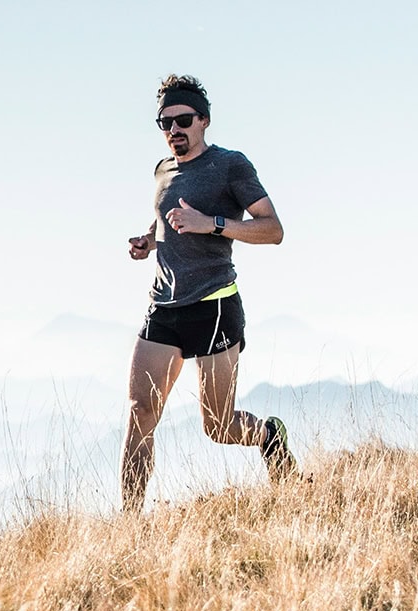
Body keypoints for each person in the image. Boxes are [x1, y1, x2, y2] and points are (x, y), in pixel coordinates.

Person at [122, 75, 294, 511]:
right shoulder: (162, 170)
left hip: (214, 304)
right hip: (164, 306)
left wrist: (212, 224)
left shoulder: (230, 165)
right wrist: (148, 241)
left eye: (182, 120)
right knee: (141, 412)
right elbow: (167, 217)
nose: (173, 130)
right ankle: (129, 523)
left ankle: (269, 436)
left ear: (204, 120)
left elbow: (272, 229)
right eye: (165, 123)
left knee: (218, 425)